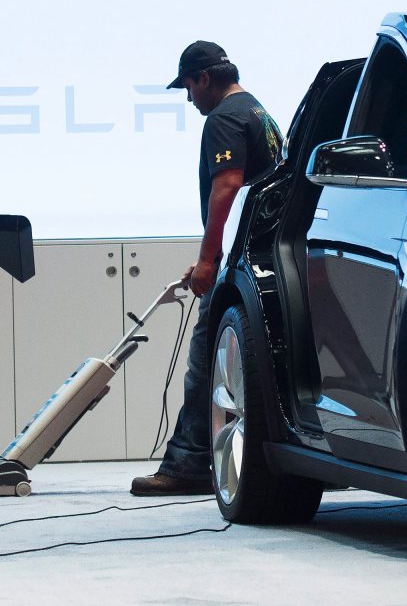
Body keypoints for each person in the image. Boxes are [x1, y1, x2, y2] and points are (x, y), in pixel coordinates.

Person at [131, 40, 282, 496]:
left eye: (188, 87)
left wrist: (208, 258)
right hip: (262, 258)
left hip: (236, 260)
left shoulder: (223, 118)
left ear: (204, 78)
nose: (188, 98)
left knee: (205, 365)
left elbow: (228, 187)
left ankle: (189, 464)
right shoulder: (258, 112)